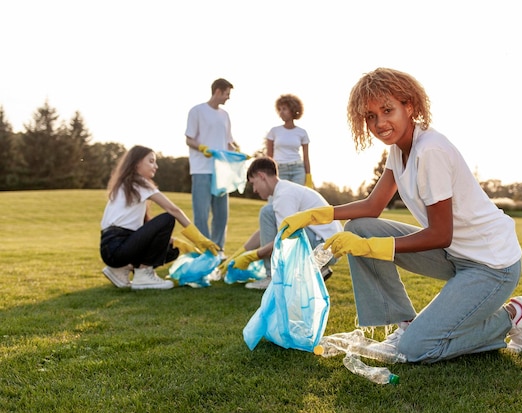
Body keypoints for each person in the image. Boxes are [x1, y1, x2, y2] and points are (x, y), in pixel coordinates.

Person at [279, 68, 522, 363]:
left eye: (387, 110)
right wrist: (315, 215)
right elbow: (371, 207)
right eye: (370, 116)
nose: (380, 123)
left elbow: (441, 233)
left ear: (410, 106)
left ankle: (514, 315)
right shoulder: (398, 150)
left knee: (416, 349)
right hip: (454, 255)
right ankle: (405, 324)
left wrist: (370, 248)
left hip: (491, 265)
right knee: (361, 228)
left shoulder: (430, 150)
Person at [100, 146, 220, 290]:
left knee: (171, 250)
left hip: (112, 247)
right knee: (168, 218)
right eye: (151, 161)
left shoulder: (126, 184)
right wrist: (199, 239)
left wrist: (177, 242)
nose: (155, 166)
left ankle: (120, 269)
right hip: (117, 246)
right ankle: (144, 275)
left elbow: (144, 232)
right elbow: (173, 209)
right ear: (137, 163)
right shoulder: (138, 182)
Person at [218, 156, 342, 290]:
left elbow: (284, 238)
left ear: (261, 176)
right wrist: (240, 254)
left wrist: (253, 256)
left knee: (268, 213)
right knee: (268, 213)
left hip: (324, 249)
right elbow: (265, 232)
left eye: (254, 183)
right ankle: (315, 269)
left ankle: (273, 277)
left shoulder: (284, 195)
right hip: (326, 246)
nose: (254, 189)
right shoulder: (283, 191)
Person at [185, 78, 238, 260]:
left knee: (221, 214)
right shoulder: (197, 111)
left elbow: (228, 141)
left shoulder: (225, 115)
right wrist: (202, 148)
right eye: (227, 94)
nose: (228, 98)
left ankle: (218, 250)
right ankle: (204, 250)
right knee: (201, 213)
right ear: (217, 91)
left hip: (222, 171)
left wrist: (235, 149)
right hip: (201, 169)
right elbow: (189, 139)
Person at [265, 94, 314, 188]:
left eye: (284, 109)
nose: (281, 112)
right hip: (279, 170)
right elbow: (269, 156)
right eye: (279, 109)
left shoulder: (302, 132)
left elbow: (306, 158)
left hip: (298, 170)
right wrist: (268, 174)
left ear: (293, 110)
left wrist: (308, 176)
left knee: (296, 199)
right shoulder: (274, 131)